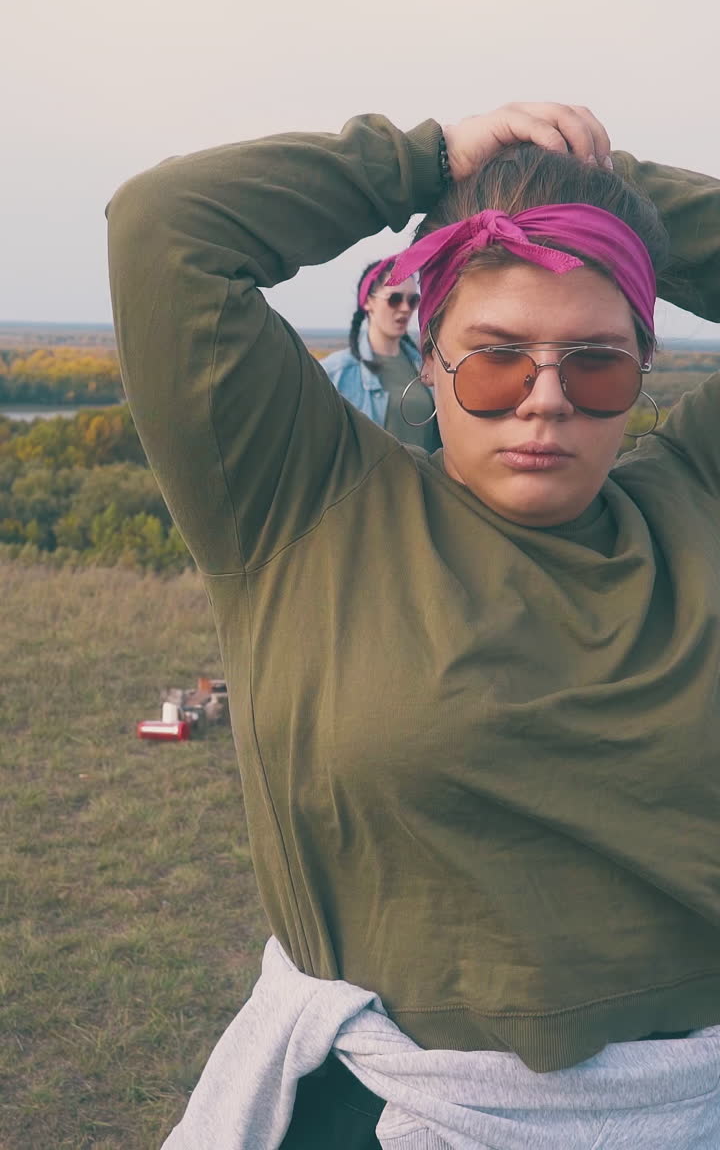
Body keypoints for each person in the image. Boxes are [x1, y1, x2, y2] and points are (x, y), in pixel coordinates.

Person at [107, 103, 720, 1149]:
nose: (545, 400)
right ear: (429, 361)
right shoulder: (308, 508)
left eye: (597, 364)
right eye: (494, 360)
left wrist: (598, 187)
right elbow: (167, 228)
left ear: (644, 374)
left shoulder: (695, 502)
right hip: (391, 1113)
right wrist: (420, 163)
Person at [320, 259, 440, 452]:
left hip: (424, 481)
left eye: (412, 300)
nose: (405, 308)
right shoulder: (334, 373)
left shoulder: (428, 367)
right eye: (394, 299)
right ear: (368, 302)